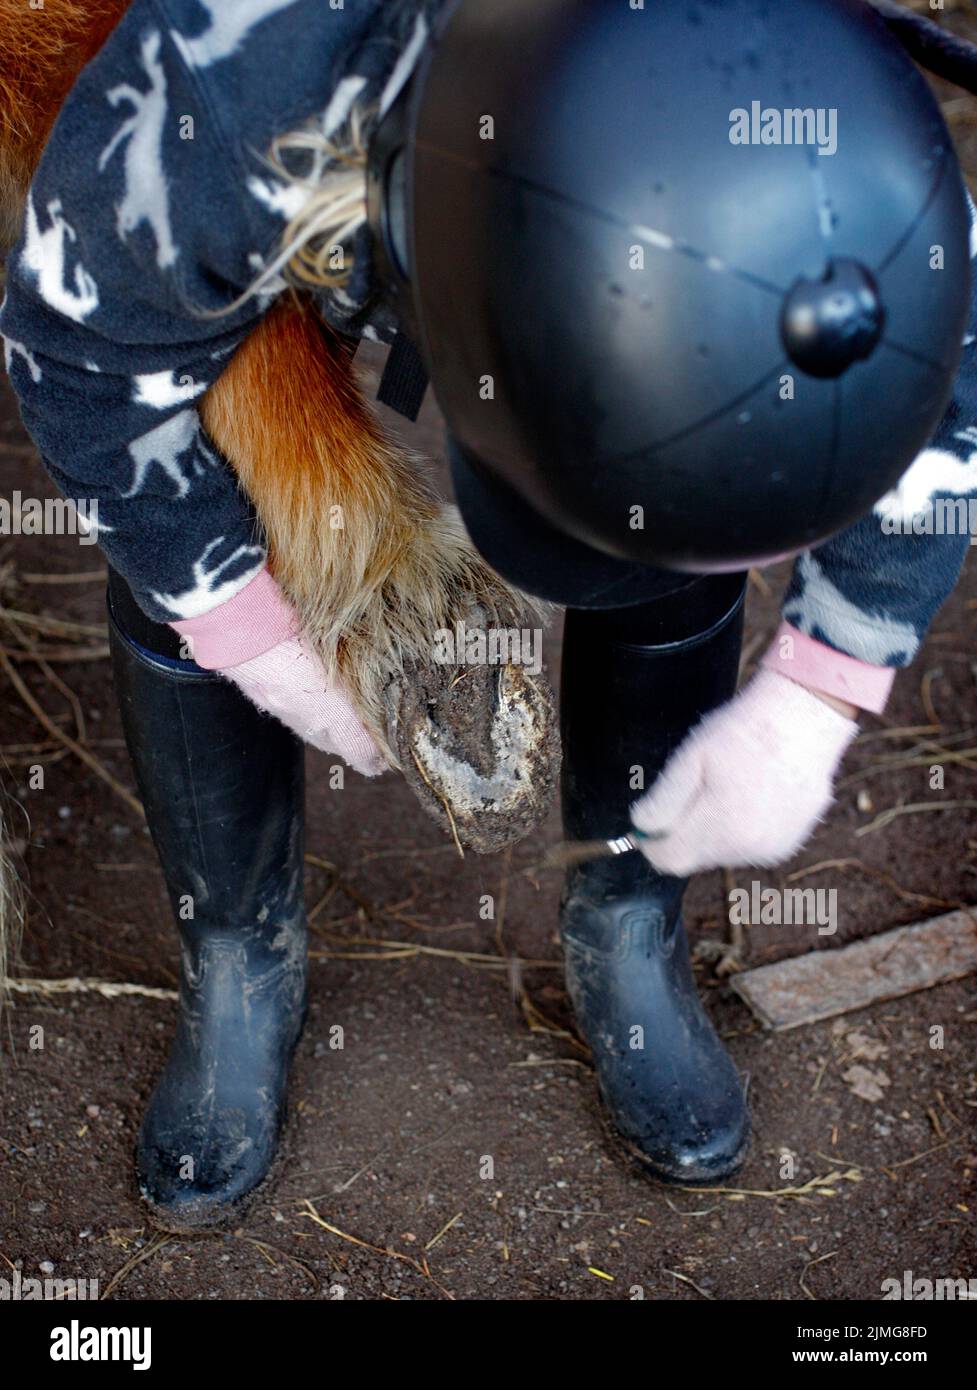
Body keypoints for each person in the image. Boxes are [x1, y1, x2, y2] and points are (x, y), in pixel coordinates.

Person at [2, 0, 976, 1225]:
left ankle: (624, 923)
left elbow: (950, 383)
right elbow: (84, 353)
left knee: (654, 521)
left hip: (503, 180)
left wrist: (815, 694)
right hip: (322, 142)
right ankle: (239, 955)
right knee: (197, 476)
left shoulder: (841, 133)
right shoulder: (226, 74)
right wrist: (245, 629)